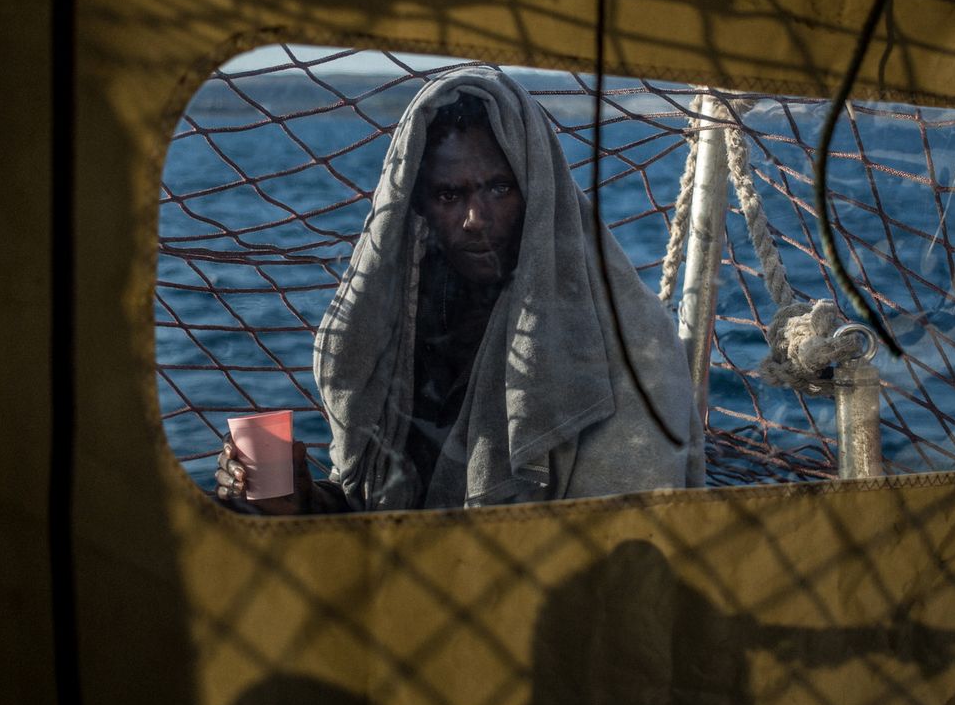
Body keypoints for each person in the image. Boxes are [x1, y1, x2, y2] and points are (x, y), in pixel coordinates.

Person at [217, 67, 704, 513]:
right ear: (420, 206)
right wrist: (300, 502)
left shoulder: (629, 345)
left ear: (537, 191)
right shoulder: (405, 326)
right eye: (450, 195)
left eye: (499, 188)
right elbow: (390, 514)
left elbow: (628, 550)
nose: (476, 219)